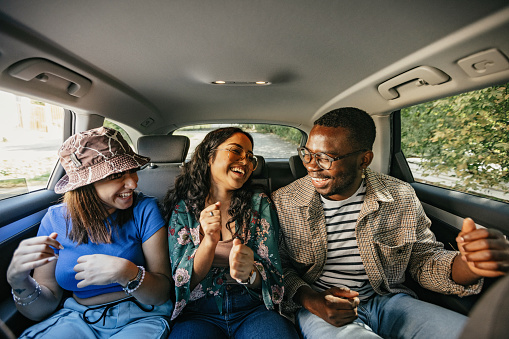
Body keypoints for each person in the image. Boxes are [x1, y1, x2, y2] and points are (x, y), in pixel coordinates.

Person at [272, 107, 509, 339]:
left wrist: (467, 264)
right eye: (307, 153)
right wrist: (313, 301)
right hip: (320, 307)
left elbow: (423, 261)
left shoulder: (400, 196)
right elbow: (278, 268)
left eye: (325, 157)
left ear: (364, 159)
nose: (312, 165)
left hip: (389, 301)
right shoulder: (285, 201)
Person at [7, 127, 173, 338]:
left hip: (140, 313)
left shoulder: (145, 209)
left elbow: (161, 293)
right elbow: (42, 310)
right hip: (76, 318)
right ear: (85, 184)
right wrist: (19, 282)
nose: (133, 182)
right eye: (117, 175)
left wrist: (128, 273)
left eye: (133, 170)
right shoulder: (55, 219)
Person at [162, 127, 298, 339]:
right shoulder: (183, 209)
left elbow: (275, 276)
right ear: (209, 156)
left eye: (250, 157)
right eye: (236, 151)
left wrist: (250, 273)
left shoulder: (259, 204)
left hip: (254, 309)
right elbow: (181, 281)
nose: (245, 161)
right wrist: (208, 242)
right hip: (198, 313)